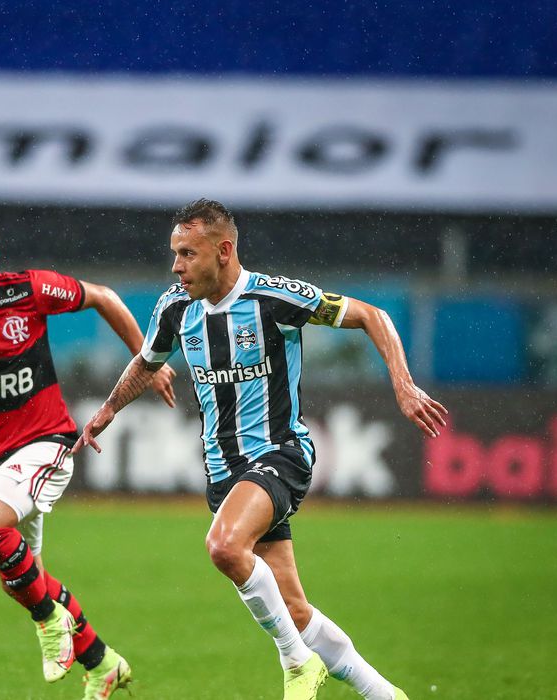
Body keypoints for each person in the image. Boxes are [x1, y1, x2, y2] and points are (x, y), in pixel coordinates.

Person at [73, 199, 447, 700]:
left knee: (224, 546)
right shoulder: (175, 308)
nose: (176, 265)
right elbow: (147, 361)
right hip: (224, 472)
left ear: (223, 251)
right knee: (293, 610)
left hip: (279, 453)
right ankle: (385, 695)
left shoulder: (274, 297)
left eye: (187, 253)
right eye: (174, 253)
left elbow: (372, 316)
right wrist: (109, 409)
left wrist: (402, 384)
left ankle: (296, 664)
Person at [0, 205, 175, 699]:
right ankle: (102, 662)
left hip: (47, 443)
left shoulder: (28, 289)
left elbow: (104, 297)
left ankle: (49, 623)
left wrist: (146, 362)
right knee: (24, 578)